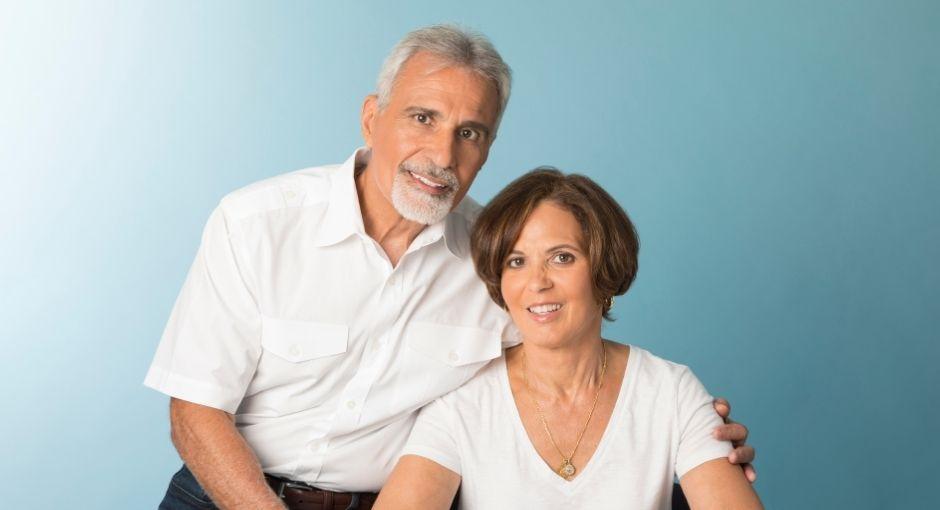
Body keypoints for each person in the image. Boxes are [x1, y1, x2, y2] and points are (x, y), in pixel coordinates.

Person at [145, 25, 755, 510]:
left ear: (487, 148)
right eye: (422, 118)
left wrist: (690, 425)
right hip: (226, 495)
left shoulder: (498, 254)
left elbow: (567, 362)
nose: (441, 154)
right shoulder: (256, 222)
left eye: (470, 132)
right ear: (370, 117)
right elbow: (195, 412)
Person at [375, 168, 763, 509]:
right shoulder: (460, 403)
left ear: (604, 269)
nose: (537, 282)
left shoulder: (671, 393)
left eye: (562, 257)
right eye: (516, 261)